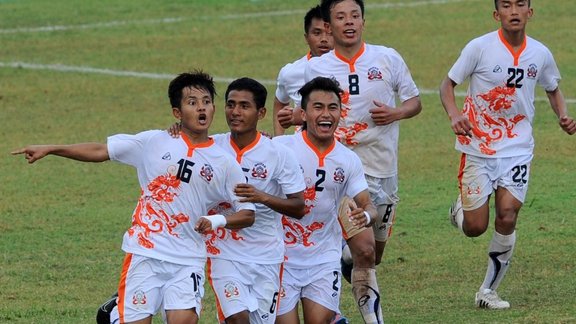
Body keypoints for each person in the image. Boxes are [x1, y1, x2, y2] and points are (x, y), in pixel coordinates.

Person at [12, 71, 256, 324]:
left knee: (184, 321)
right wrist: (52, 149)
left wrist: (217, 221)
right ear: (177, 112)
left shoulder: (224, 163)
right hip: (145, 252)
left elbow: (248, 213)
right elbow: (100, 150)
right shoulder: (154, 141)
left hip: (188, 258)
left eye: (206, 101)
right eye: (192, 103)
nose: (201, 108)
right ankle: (116, 314)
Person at [287, 0, 422, 322]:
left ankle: (337, 261)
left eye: (355, 16)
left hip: (382, 168)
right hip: (339, 169)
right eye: (340, 17)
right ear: (330, 25)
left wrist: (397, 112)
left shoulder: (387, 58)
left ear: (363, 21)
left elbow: (414, 101)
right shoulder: (315, 68)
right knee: (363, 251)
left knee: (372, 254)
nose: (349, 22)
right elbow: (300, 114)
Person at [439, 0, 575, 309]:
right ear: (496, 13)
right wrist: (453, 116)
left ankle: (487, 291)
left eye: (520, 5)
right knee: (475, 227)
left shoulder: (540, 53)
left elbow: (552, 88)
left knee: (508, 214)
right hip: (478, 147)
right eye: (506, 5)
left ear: (530, 12)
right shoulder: (480, 47)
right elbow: (447, 84)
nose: (513, 11)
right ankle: (459, 210)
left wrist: (562, 116)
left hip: (517, 148)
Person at [274, 77, 378, 324]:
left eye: (333, 107)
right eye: (318, 107)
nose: (326, 114)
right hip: (280, 261)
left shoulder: (347, 159)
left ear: (341, 113)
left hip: (323, 260)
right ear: (303, 113)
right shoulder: (280, 149)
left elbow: (368, 205)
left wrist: (365, 216)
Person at [203, 77, 306, 323]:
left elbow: (299, 207)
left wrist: (262, 197)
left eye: (244, 106)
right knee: (238, 319)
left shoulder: (278, 154)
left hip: (266, 256)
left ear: (260, 113)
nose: (235, 112)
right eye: (231, 104)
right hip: (224, 254)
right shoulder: (209, 147)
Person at [273, 5, 334, 136]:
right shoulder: (290, 72)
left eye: (330, 33)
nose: (324, 39)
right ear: (307, 38)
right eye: (317, 33)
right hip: (305, 151)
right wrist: (278, 139)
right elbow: (279, 102)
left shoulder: (351, 68)